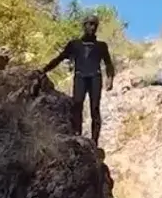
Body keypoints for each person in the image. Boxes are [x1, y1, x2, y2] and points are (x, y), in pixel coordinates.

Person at [42, 14, 115, 144]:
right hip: (80, 76)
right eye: (90, 24)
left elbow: (108, 63)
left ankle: (94, 141)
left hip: (95, 77)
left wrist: (110, 78)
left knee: (95, 108)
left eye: (95, 25)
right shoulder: (74, 44)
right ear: (84, 25)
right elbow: (59, 58)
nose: (92, 27)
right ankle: (77, 135)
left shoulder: (101, 46)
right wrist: (44, 70)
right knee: (77, 104)